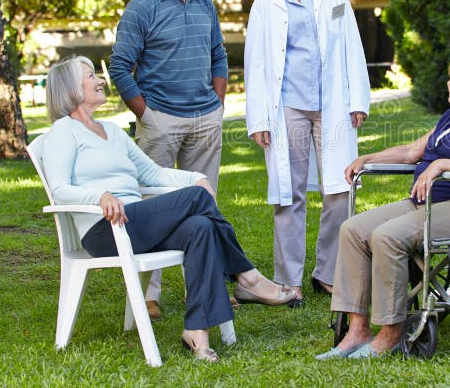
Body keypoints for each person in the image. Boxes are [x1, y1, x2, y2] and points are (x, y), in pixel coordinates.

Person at [42, 56, 296, 363]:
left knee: (200, 228)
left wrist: (196, 178)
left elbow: (153, 174)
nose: (100, 80)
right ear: (71, 88)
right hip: (103, 230)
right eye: (91, 75)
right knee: (197, 200)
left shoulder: (111, 130)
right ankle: (249, 278)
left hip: (136, 223)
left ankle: (197, 333)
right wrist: (99, 196)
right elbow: (58, 189)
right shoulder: (62, 132)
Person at [317, 52, 450, 359]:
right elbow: (411, 153)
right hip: (427, 203)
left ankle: (391, 333)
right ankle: (357, 331)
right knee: (353, 229)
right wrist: (368, 158)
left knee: (388, 236)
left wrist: (440, 165)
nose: (448, 82)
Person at [244, 0, 371, 307]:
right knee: (288, 193)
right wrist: (259, 119)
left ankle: (327, 272)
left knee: (340, 187)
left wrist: (357, 101)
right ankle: (288, 280)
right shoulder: (266, 4)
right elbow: (257, 65)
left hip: (331, 105)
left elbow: (352, 44)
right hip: (288, 109)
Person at [109, 0, 228, 320]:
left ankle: (209, 286)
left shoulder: (204, 0)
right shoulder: (141, 8)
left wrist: (216, 102)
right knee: (153, 206)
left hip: (205, 118)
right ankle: (147, 294)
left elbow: (218, 53)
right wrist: (147, 114)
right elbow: (120, 67)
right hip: (161, 121)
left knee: (205, 203)